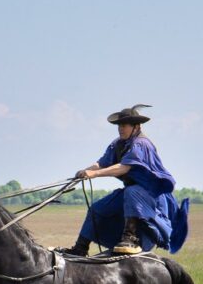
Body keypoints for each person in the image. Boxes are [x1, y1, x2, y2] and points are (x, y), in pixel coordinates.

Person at [65, 104, 189, 256]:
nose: (120, 129)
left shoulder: (141, 144)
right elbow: (102, 162)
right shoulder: (118, 143)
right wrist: (84, 172)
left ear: (136, 127)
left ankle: (130, 238)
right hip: (132, 192)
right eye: (119, 125)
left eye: (124, 125)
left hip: (149, 193)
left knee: (131, 192)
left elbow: (124, 168)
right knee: (97, 209)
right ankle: (80, 248)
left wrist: (94, 174)